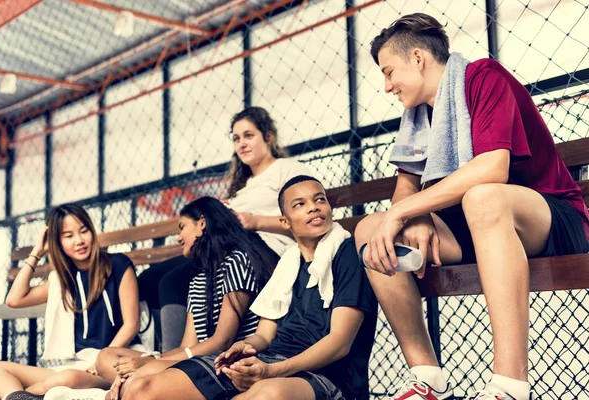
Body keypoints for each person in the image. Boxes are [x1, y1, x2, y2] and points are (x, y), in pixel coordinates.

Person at [355, 13, 589, 400]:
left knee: (484, 195)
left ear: (417, 58)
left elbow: (492, 168)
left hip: (548, 218)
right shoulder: (418, 114)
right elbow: (405, 186)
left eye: (388, 71)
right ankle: (426, 377)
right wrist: (410, 212)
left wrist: (406, 210)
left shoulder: (482, 77)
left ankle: (510, 385)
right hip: (475, 223)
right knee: (370, 229)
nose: (387, 86)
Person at [120, 175, 378, 400]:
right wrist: (242, 346)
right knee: (142, 388)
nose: (313, 208)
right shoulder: (288, 265)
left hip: (326, 376)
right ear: (285, 222)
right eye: (300, 204)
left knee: (265, 394)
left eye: (319, 200)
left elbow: (339, 343)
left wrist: (272, 372)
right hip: (271, 361)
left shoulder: (347, 253)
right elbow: (264, 336)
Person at [46, 197, 279, 400]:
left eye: (182, 227)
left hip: (224, 361)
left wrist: (150, 364)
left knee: (140, 379)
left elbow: (222, 341)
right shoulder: (198, 280)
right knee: (107, 356)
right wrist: (151, 359)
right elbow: (187, 346)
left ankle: (102, 393)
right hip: (199, 357)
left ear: (202, 223)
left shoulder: (236, 261)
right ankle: (108, 390)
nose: (179, 237)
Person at [138, 106, 311, 352]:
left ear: (268, 137)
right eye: (236, 138)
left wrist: (255, 221)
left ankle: (171, 357)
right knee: (148, 279)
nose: (241, 144)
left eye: (249, 135)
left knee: (173, 281)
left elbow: (306, 217)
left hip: (263, 252)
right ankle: (159, 350)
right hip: (226, 250)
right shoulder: (240, 188)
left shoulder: (286, 169)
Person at [0, 204, 144, 400]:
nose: (79, 240)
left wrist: (99, 362)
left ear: (92, 231)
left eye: (83, 231)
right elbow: (14, 300)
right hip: (76, 364)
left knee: (66, 379)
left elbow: (131, 325)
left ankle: (21, 396)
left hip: (113, 362)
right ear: (57, 242)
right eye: (68, 236)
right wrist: (38, 250)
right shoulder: (63, 280)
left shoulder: (119, 265)